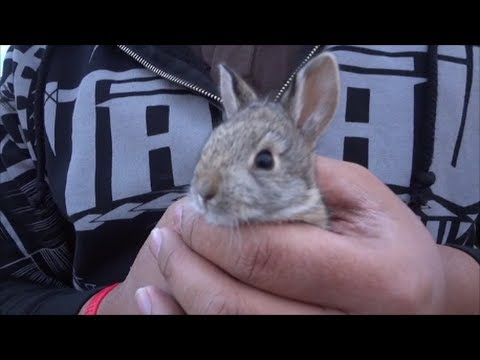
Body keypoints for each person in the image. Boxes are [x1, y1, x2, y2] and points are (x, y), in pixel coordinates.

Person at [0, 45, 478, 315]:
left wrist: (451, 289)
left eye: (263, 162)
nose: (203, 188)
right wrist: (109, 309)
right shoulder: (40, 61)